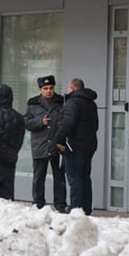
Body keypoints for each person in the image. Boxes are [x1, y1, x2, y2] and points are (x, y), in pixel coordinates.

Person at [50, 78, 98, 215]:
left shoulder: (72, 103)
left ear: (71, 89)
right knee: (85, 177)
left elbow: (67, 124)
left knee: (75, 178)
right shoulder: (91, 103)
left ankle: (75, 209)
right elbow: (96, 125)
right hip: (90, 145)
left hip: (75, 146)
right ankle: (86, 209)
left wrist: (57, 140)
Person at [25, 75, 67, 211]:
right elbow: (26, 122)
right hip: (40, 145)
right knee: (38, 177)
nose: (49, 91)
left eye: (51, 88)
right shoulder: (33, 103)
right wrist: (39, 122)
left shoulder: (62, 102)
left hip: (57, 145)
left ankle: (60, 205)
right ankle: (38, 204)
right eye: (45, 88)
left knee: (59, 177)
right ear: (40, 90)